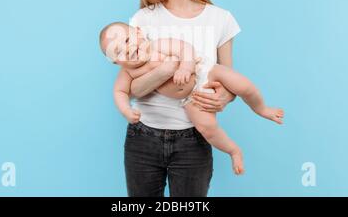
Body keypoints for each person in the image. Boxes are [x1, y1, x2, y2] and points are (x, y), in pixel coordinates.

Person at [117, 0, 242, 196]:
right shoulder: (142, 20)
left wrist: (225, 97)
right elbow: (131, 88)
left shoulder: (221, 19)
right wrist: (166, 70)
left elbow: (228, 80)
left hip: (193, 139)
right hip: (143, 138)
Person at [99, 22, 284, 175]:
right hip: (190, 99)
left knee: (243, 85)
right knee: (207, 128)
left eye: (127, 39)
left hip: (205, 71)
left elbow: (184, 48)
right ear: (117, 62)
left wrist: (186, 67)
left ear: (138, 32)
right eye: (119, 51)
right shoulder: (128, 73)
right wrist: (126, 110)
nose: (129, 49)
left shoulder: (158, 45)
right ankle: (233, 150)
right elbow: (120, 92)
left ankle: (261, 108)